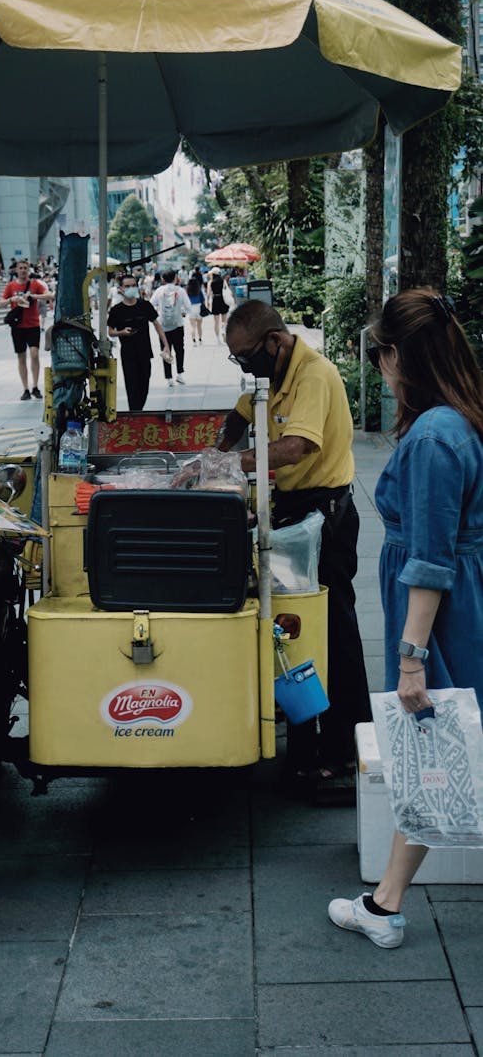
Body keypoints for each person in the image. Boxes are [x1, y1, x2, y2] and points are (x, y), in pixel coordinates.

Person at [329, 288, 483, 948]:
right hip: (461, 601)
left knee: (435, 743)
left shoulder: (431, 439)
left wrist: (411, 653)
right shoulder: (461, 420)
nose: (378, 367)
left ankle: (386, 904)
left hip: (441, 614)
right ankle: (385, 901)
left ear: (399, 356)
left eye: (380, 352)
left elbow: (429, 558)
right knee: (442, 747)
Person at [217, 300, 371, 793]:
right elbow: (240, 416)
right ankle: (303, 741)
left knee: (333, 628)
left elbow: (296, 446)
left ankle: (346, 748)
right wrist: (214, 451)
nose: (243, 366)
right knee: (291, 629)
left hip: (326, 513)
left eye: (245, 357)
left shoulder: (314, 375)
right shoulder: (275, 377)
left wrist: (228, 467)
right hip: (291, 509)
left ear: (274, 343)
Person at [107, 273, 171, 413]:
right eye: (127, 286)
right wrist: (122, 332)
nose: (131, 288)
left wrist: (166, 345)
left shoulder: (145, 305)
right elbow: (110, 332)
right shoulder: (116, 310)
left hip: (144, 352)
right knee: (132, 387)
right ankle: (135, 415)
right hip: (128, 354)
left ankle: (137, 412)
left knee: (144, 386)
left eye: (133, 285)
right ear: (121, 289)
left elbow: (157, 325)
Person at [0, 260, 53, 401]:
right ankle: (26, 389)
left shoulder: (35, 284)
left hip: (33, 325)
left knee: (34, 354)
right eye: (21, 268)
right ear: (16, 270)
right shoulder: (11, 286)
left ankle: (35, 386)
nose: (23, 270)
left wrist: (34, 296)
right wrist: (12, 299)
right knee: (21, 357)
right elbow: (0, 303)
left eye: (25, 268)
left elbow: (50, 295)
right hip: (17, 327)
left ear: (28, 270)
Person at [151, 269, 192, 387]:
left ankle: (168, 378)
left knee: (166, 350)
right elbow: (188, 307)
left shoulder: (159, 291)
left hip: (163, 327)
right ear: (175, 278)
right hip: (178, 325)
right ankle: (179, 374)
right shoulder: (180, 291)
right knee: (180, 350)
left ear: (163, 279)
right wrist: (182, 311)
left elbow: (151, 305)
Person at [207, 269, 229, 343]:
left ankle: (217, 338)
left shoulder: (211, 282)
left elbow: (208, 293)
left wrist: (207, 302)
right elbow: (227, 290)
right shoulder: (223, 281)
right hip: (223, 300)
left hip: (215, 300)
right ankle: (223, 331)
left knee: (216, 321)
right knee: (224, 320)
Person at [186, 270, 206, 345]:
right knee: (199, 326)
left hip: (191, 308)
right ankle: (200, 339)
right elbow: (203, 300)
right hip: (198, 307)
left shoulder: (187, 290)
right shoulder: (199, 290)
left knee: (192, 326)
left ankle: (194, 340)